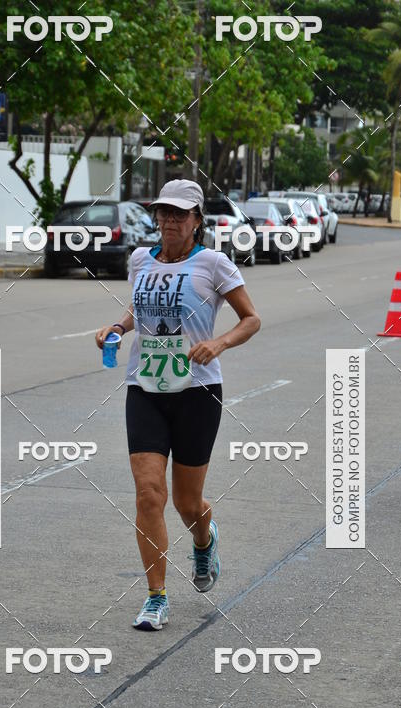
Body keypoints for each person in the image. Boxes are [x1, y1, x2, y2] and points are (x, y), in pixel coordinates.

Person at [95, 179, 260, 630]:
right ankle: (155, 597)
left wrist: (219, 342)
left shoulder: (213, 264)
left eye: (179, 214)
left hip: (197, 392)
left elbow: (251, 319)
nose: (169, 221)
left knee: (188, 503)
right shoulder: (139, 260)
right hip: (144, 388)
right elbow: (138, 309)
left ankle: (203, 542)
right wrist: (117, 327)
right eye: (163, 213)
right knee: (150, 494)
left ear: (196, 221)